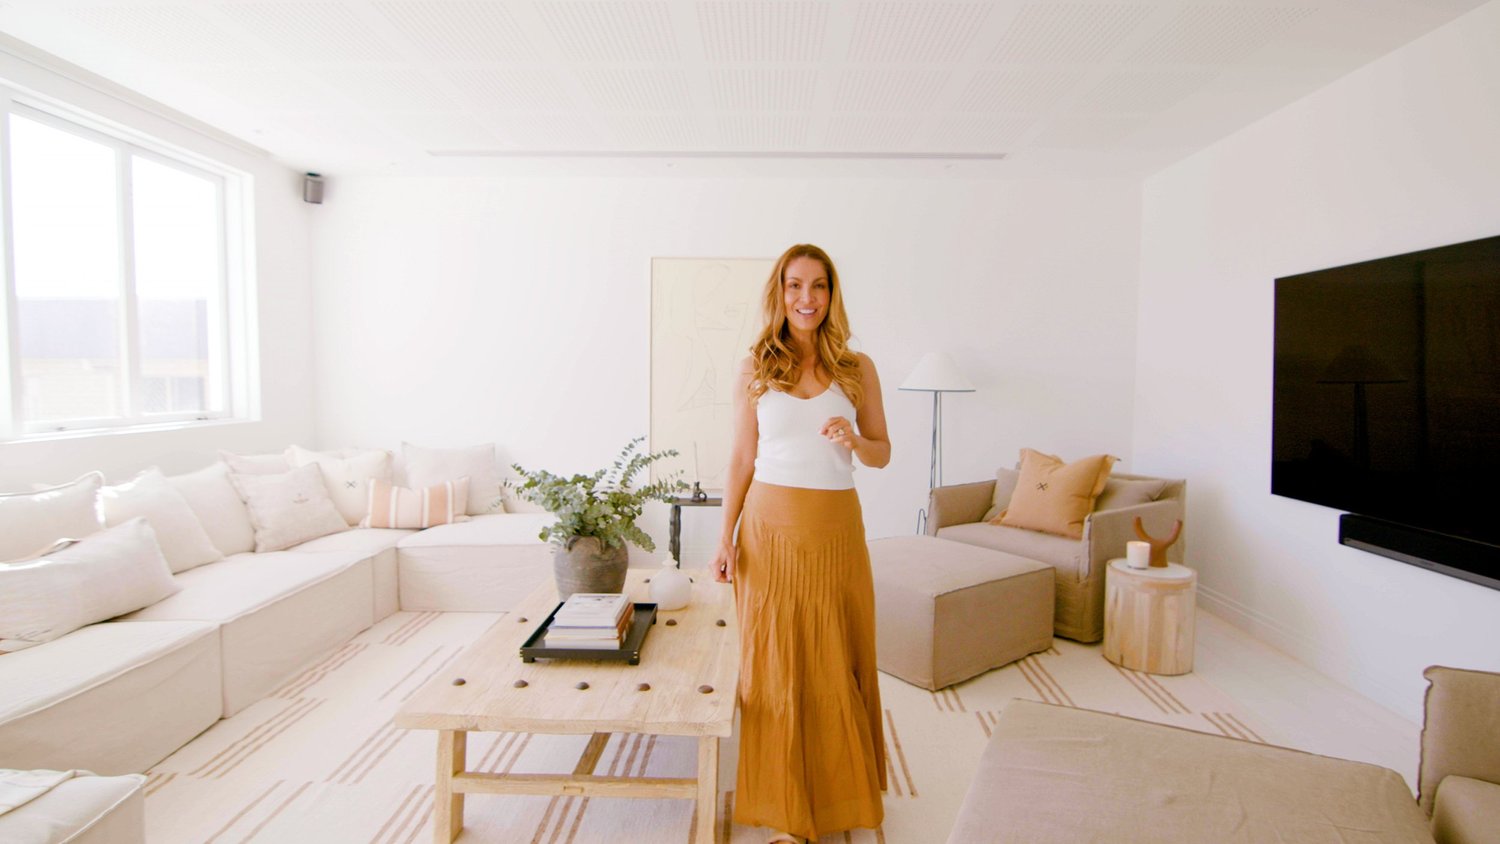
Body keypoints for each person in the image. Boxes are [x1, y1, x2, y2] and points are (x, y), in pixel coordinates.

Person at [712, 243, 890, 843]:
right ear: (780, 293)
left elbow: (882, 452)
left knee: (836, 661)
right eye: (794, 285)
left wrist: (853, 440)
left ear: (831, 294)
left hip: (837, 533)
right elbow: (742, 458)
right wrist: (724, 537)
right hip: (768, 532)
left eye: (818, 286)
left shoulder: (857, 367)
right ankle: (787, 816)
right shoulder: (755, 368)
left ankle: (838, 800)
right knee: (776, 668)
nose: (806, 298)